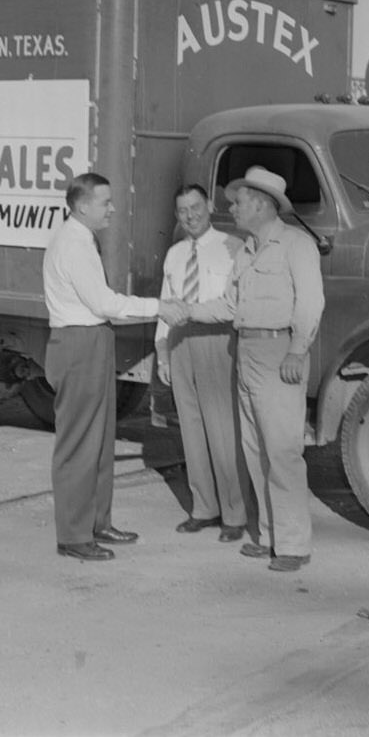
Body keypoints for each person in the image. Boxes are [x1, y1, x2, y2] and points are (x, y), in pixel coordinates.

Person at [185, 166, 324, 572]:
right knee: (255, 450)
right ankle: (268, 537)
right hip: (246, 351)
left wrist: (298, 350)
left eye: (239, 202)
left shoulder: (296, 244)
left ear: (261, 204)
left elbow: (311, 303)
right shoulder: (247, 249)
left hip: (280, 351)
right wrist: (184, 310)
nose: (232, 208)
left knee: (282, 452)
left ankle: (294, 546)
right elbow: (229, 306)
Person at [42, 172, 167, 562]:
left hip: (93, 341)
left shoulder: (83, 238)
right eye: (105, 202)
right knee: (79, 444)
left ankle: (97, 522)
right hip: (79, 343)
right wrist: (160, 307)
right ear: (82, 206)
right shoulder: (73, 245)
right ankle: (74, 536)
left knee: (99, 440)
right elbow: (104, 304)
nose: (112, 208)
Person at [155, 184, 249, 542]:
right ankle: (204, 508)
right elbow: (165, 305)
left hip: (215, 340)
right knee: (191, 430)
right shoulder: (175, 254)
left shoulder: (232, 248)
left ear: (209, 205)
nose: (190, 216)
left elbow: (234, 303)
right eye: (182, 211)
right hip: (180, 343)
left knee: (223, 430)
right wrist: (162, 351)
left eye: (195, 207)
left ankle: (235, 514)